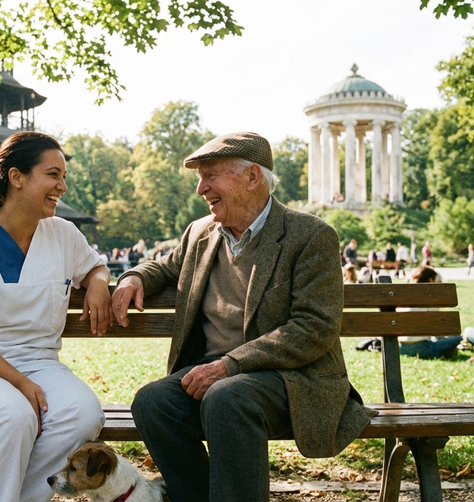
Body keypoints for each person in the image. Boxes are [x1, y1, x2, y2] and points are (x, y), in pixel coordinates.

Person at [111, 132, 375, 502]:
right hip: (215, 374)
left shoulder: (310, 235)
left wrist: (231, 365)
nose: (201, 189)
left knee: (227, 396)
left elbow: (314, 328)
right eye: (200, 178)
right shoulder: (201, 233)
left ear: (252, 176)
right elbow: (166, 267)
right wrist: (134, 277)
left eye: (211, 176)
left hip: (290, 379)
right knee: (153, 403)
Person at [0, 132, 113, 502]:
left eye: (63, 177)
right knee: (12, 414)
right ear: (17, 177)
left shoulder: (63, 234)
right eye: (53, 175)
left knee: (84, 414)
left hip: (40, 365)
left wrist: (98, 281)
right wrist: (20, 383)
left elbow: (95, 266)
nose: (62, 186)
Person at [397, 266, 462, 359]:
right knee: (458, 338)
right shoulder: (430, 298)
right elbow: (437, 331)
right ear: (431, 279)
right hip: (424, 349)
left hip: (400, 347)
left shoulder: (403, 296)